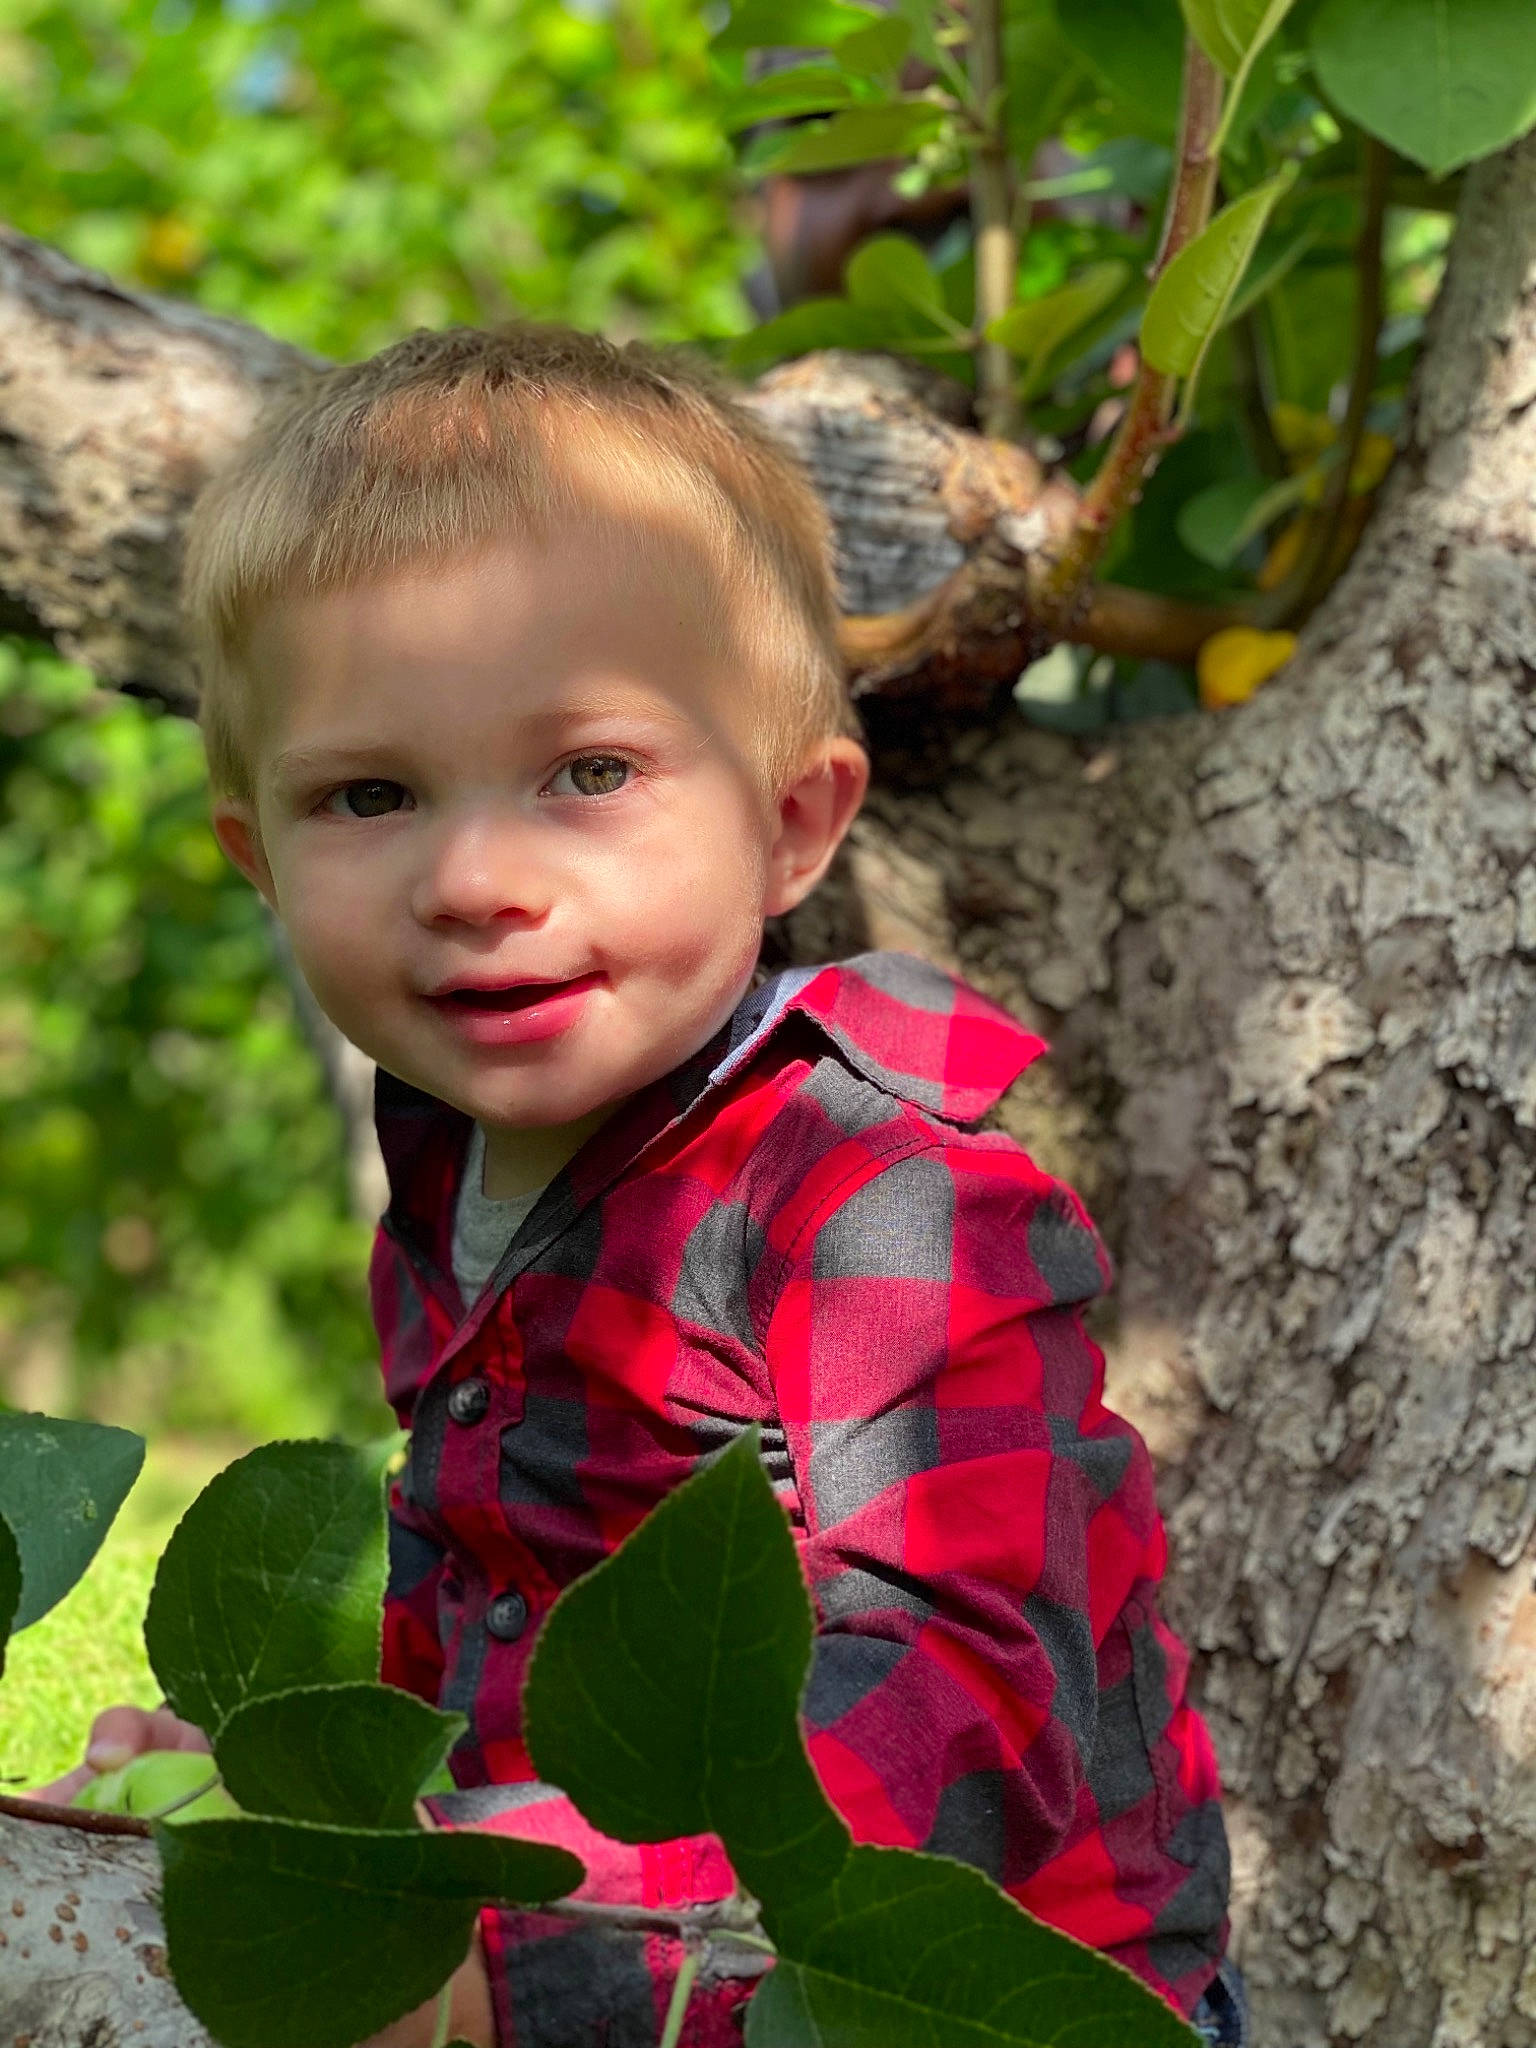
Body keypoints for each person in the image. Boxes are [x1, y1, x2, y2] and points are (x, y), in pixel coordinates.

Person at [43, 324, 1246, 2048]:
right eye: (370, 794)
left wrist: (488, 1949)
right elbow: (487, 1591)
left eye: (590, 773)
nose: (476, 879)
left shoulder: (886, 1207)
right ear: (261, 858)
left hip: (943, 2000)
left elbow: (970, 1709)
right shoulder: (454, 1160)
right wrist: (308, 1806)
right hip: (631, 1965)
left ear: (793, 822)